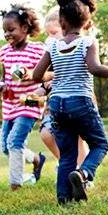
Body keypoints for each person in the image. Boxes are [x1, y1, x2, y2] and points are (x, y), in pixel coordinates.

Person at [33, 0, 108, 204]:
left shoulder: (52, 45)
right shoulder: (87, 42)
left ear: (61, 22)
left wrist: (53, 75)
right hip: (80, 101)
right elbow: (95, 68)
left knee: (67, 154)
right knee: (100, 145)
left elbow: (36, 76)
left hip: (57, 105)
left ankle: (64, 198)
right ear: (87, 22)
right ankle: (83, 174)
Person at [0, 4, 47, 191]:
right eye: (4, 31)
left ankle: (15, 184)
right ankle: (36, 159)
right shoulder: (4, 52)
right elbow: (5, 78)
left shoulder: (38, 50)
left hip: (31, 101)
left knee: (14, 142)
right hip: (10, 104)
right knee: (5, 147)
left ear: (25, 28)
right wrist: (1, 86)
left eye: (11, 30)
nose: (7, 34)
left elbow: (48, 74)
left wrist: (31, 74)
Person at [37, 11, 88, 166]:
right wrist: (36, 93)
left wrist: (54, 78)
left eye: (53, 33)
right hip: (55, 106)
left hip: (76, 102)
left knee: (78, 140)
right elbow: (42, 80)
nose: (49, 38)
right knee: (46, 134)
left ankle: (82, 175)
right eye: (47, 34)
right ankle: (67, 165)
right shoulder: (51, 53)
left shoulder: (80, 48)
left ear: (66, 28)